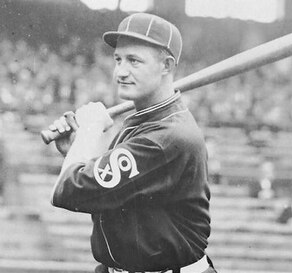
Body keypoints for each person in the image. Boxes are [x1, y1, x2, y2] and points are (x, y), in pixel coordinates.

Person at [49, 13, 216, 273]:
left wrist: (90, 131)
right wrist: (76, 150)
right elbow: (112, 189)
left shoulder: (168, 136)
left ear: (167, 66)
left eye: (134, 61)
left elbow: (69, 191)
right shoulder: (144, 121)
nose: (120, 72)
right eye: (118, 59)